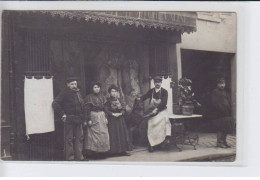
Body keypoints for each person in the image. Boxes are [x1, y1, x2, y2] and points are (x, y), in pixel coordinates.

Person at [52, 77, 86, 161]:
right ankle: (70, 158)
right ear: (67, 85)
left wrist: (84, 117)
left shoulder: (78, 92)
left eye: (75, 84)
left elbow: (82, 105)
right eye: (72, 84)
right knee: (69, 139)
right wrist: (62, 114)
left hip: (79, 119)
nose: (74, 85)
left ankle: (79, 157)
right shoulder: (64, 92)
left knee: (79, 138)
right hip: (69, 119)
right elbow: (55, 103)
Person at [138, 76, 172, 152]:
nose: (157, 84)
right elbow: (145, 96)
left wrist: (157, 109)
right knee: (151, 125)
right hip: (152, 112)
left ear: (161, 83)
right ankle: (152, 144)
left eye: (159, 82)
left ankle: (164, 140)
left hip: (161, 111)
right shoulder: (151, 91)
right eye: (156, 82)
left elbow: (164, 103)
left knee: (165, 121)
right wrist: (139, 99)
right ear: (154, 83)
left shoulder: (164, 91)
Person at [83, 82, 110, 159]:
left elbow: (106, 108)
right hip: (93, 115)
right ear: (92, 88)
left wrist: (106, 117)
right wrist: (89, 119)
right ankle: (94, 153)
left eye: (98, 87)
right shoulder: (89, 97)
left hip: (101, 115)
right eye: (95, 87)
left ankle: (102, 152)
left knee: (103, 134)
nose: (97, 89)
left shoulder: (103, 97)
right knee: (93, 135)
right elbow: (87, 109)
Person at [104, 84, 132, 156]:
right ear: (109, 93)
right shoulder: (107, 101)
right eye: (112, 91)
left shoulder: (120, 100)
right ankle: (113, 152)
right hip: (112, 120)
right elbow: (106, 110)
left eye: (115, 91)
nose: (114, 93)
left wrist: (121, 113)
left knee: (121, 134)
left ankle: (123, 150)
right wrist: (112, 114)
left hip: (120, 119)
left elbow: (123, 108)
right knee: (113, 134)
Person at [211, 77, 233, 148]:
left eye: (223, 83)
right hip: (219, 114)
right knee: (220, 128)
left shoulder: (225, 92)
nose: (222, 85)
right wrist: (222, 110)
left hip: (226, 113)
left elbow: (228, 102)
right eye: (220, 83)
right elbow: (215, 103)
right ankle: (219, 143)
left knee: (226, 128)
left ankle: (224, 141)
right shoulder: (215, 92)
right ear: (217, 84)